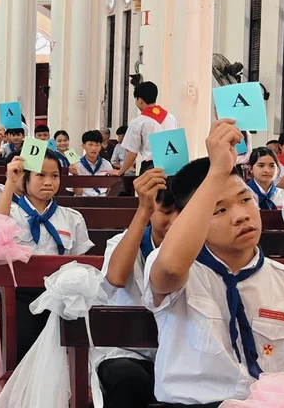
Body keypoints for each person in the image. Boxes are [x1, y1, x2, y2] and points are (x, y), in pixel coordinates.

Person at [144, 119, 284, 406]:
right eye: (219, 210)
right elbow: (170, 269)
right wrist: (217, 171)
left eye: (245, 200)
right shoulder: (181, 271)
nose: (241, 216)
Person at [0, 153, 93, 360]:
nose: (48, 182)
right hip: (19, 296)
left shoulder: (72, 218)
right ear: (25, 178)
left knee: (74, 337)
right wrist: (10, 182)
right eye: (40, 175)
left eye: (54, 176)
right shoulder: (11, 213)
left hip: (62, 298)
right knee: (23, 341)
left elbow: (80, 264)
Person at [95, 168, 177, 408]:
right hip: (129, 351)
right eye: (166, 212)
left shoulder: (202, 246)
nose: (175, 221)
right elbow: (116, 278)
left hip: (183, 354)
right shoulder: (124, 242)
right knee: (129, 381)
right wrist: (143, 211)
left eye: (183, 212)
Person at [110, 81, 177, 175]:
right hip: (172, 166)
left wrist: (120, 171)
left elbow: (132, 153)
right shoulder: (170, 117)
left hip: (151, 168)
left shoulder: (138, 121)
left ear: (140, 100)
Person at [71, 130, 110, 196]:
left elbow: (110, 188)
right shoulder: (76, 165)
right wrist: (75, 175)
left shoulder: (106, 164)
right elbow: (78, 193)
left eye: (97, 145)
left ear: (101, 147)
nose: (94, 148)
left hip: (102, 199)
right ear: (83, 146)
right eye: (90, 144)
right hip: (83, 199)